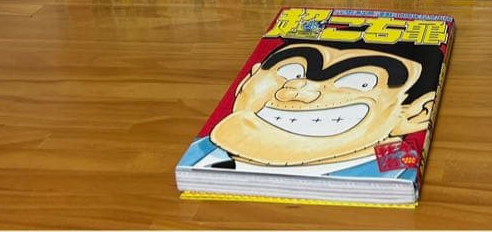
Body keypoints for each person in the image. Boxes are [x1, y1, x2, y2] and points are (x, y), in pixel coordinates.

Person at [179, 39, 442, 173]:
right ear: (247, 80)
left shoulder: (394, 173)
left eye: (360, 83)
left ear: (417, 113)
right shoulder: (201, 152)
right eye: (290, 72)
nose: (300, 90)